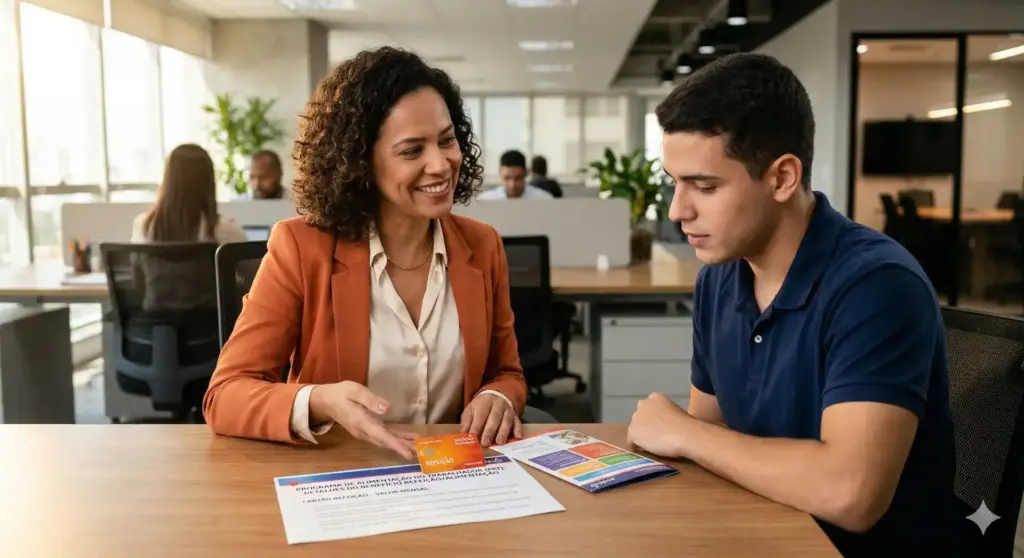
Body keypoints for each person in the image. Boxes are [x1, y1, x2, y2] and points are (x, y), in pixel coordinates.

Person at [625, 53, 959, 557]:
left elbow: (851, 495)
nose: (678, 211)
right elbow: (711, 433)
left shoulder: (876, 285)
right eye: (675, 182)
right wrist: (690, 437)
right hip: (765, 533)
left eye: (705, 185)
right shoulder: (720, 276)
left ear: (782, 178)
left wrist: (682, 434)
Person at [203, 47, 526, 459]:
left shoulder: (482, 246)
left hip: (452, 474)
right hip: (344, 477)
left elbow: (507, 372)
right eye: (412, 150)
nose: (441, 164)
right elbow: (225, 395)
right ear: (360, 162)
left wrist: (499, 396)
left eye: (447, 141)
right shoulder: (302, 248)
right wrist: (318, 400)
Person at [130, 144, 248, 310]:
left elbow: (138, 279)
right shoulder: (225, 229)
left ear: (167, 181)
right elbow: (248, 279)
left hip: (154, 330)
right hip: (210, 329)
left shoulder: (143, 226)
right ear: (208, 182)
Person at [477, 150, 554, 200]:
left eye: (518, 178)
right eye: (507, 178)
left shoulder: (543, 199)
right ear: (500, 174)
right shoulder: (486, 200)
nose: (512, 185)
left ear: (526, 174)